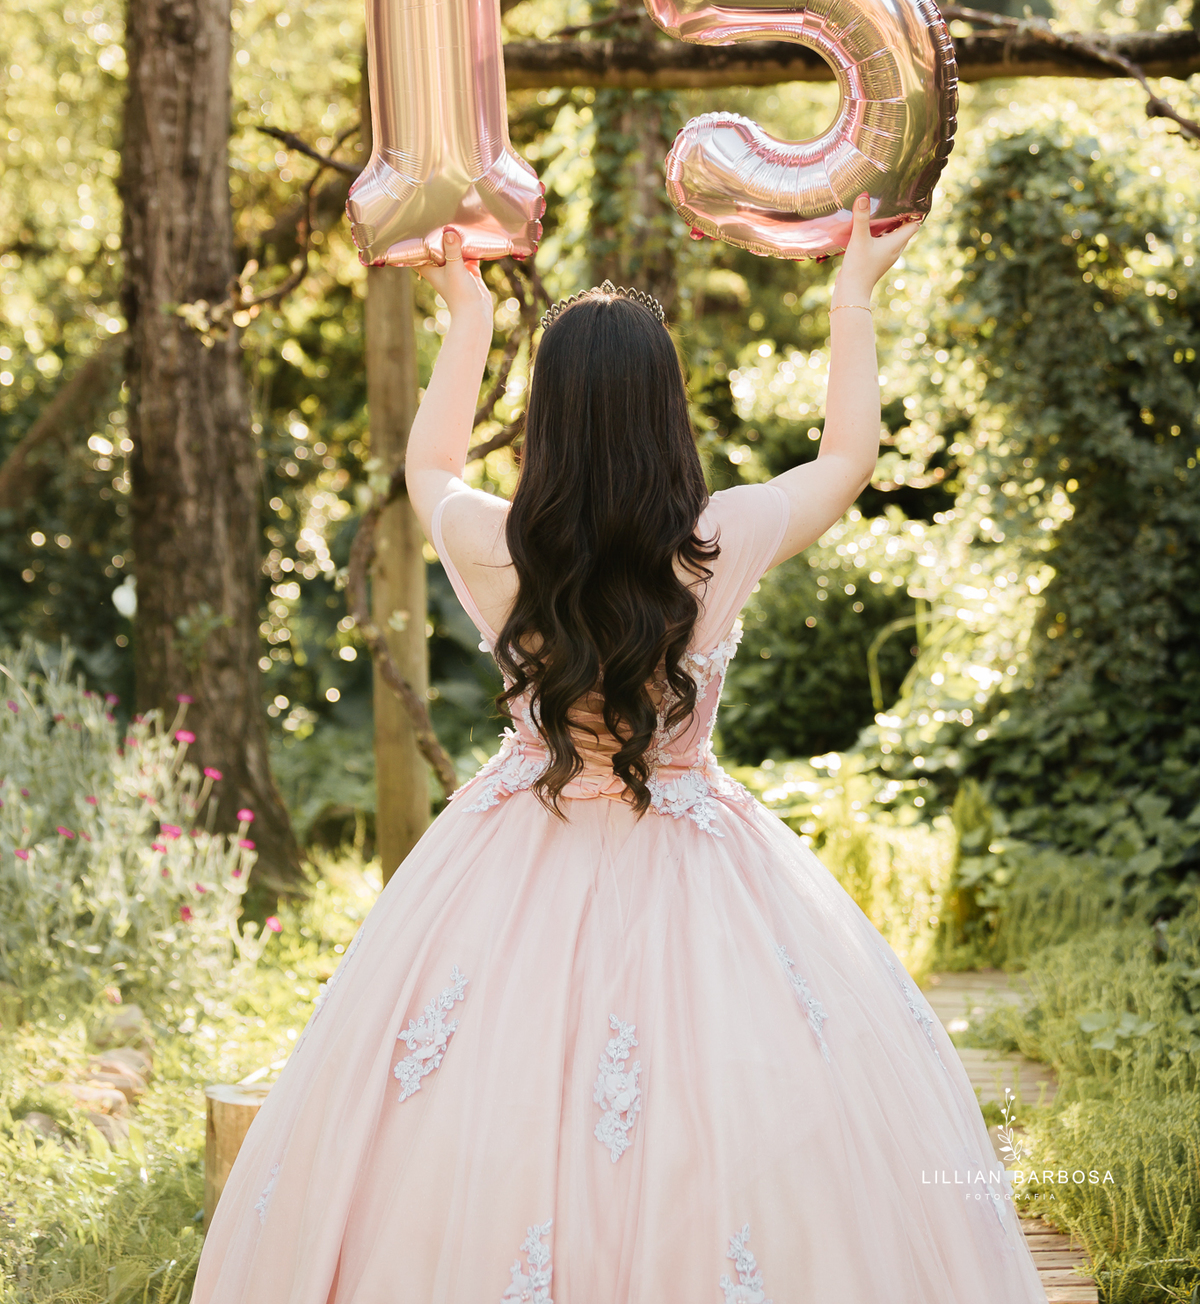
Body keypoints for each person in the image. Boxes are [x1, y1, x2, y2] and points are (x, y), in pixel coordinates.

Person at [194, 196, 1045, 1304]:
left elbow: (430, 465)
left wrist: (468, 319)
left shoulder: (496, 543)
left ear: (547, 418)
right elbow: (848, 453)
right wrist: (851, 294)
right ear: (666, 412)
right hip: (694, 861)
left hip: (509, 851)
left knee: (464, 1119)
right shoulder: (719, 540)